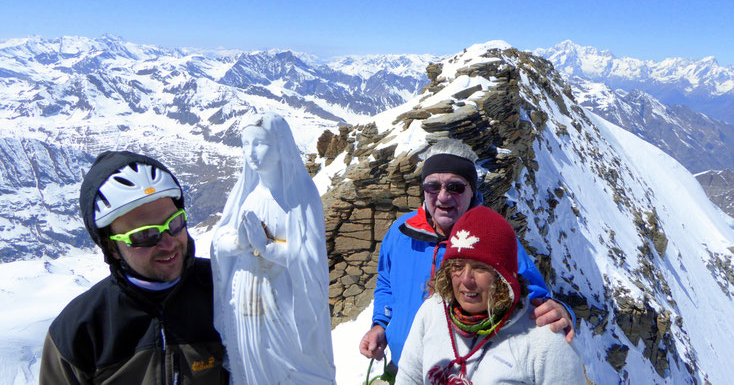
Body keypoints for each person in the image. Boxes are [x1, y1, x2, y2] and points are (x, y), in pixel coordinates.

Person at [360, 139, 575, 371]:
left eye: (456, 187)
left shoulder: (493, 238)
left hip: (461, 372)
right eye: (433, 186)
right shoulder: (401, 231)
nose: (442, 197)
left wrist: (562, 311)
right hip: (403, 366)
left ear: (472, 191)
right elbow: (386, 281)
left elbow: (535, 299)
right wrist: (380, 324)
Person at [40, 151, 229, 384]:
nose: (169, 243)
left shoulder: (225, 290)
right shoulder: (81, 330)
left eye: (175, 222)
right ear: (112, 248)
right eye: (145, 235)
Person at [211, 113, 336, 384]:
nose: (251, 153)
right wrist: (239, 243)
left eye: (259, 144)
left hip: (283, 302)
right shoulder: (246, 195)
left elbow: (311, 257)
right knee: (251, 366)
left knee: (288, 370)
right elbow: (219, 239)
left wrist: (267, 248)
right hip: (246, 300)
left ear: (281, 147)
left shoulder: (300, 197)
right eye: (246, 145)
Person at [395, 206, 585, 384]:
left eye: (480, 268)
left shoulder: (543, 339)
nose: (466, 280)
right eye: (458, 266)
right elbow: (409, 377)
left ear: (503, 277)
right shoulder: (433, 311)